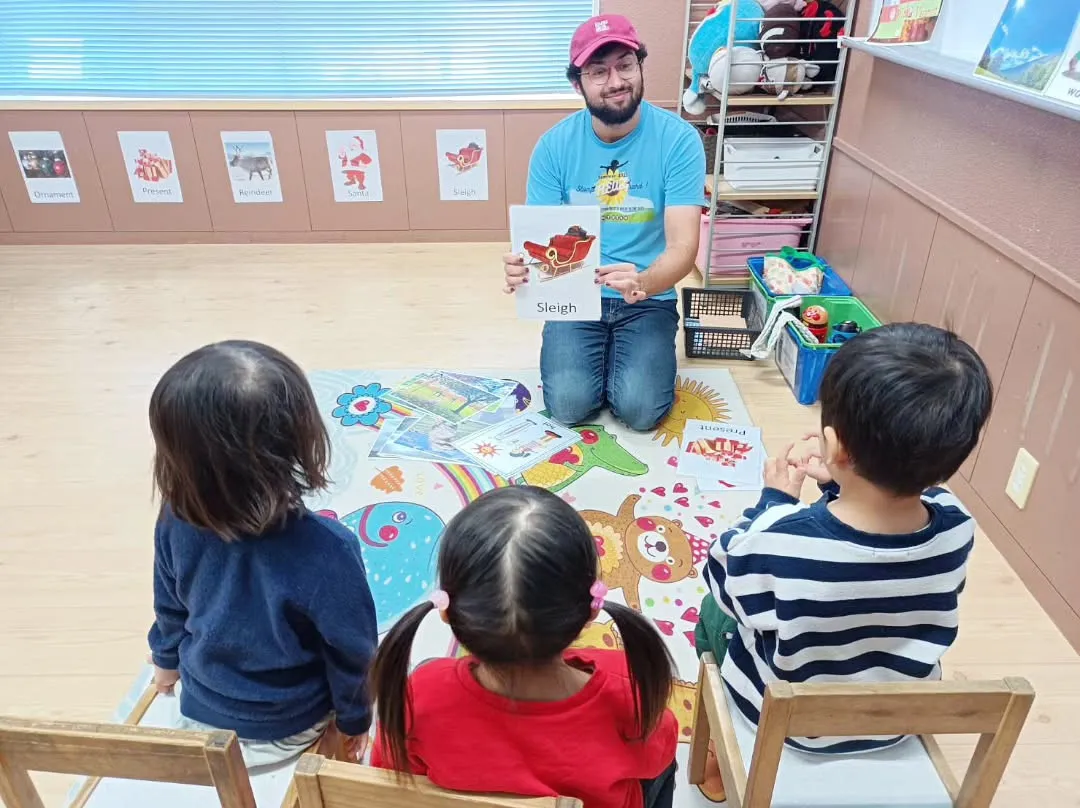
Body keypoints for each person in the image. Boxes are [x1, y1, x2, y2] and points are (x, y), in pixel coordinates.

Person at [696, 323, 993, 797]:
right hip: (894, 720)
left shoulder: (780, 540)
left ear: (835, 446)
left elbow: (719, 573)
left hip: (786, 724)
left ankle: (714, 755)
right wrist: (838, 486)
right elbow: (878, 553)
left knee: (712, 616)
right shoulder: (958, 524)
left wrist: (772, 501)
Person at [369, 486, 679, 808]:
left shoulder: (418, 693)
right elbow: (659, 755)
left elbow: (391, 775)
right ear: (591, 609)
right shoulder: (631, 693)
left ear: (448, 611)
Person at [146, 340, 378, 768]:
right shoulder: (329, 548)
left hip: (199, 707)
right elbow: (353, 651)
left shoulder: (175, 514)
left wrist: (164, 662)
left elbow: (169, 604)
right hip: (288, 723)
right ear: (300, 440)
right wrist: (355, 721)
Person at [503, 14, 706, 432]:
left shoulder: (679, 140)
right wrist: (524, 267)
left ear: (640, 65)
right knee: (568, 407)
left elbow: (684, 248)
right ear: (578, 83)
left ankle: (626, 355)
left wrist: (644, 283)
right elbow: (542, 243)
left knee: (640, 411)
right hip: (576, 295)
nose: (616, 81)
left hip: (650, 295)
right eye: (598, 71)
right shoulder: (553, 147)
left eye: (625, 65)